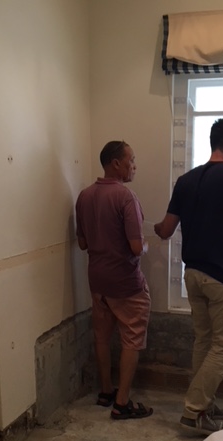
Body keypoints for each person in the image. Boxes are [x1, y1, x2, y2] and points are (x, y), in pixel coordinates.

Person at [154, 117, 223, 436]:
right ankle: (194, 410)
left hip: (193, 275)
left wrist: (153, 227)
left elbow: (165, 230)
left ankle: (205, 404)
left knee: (204, 340)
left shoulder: (186, 180)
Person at [76, 140, 153, 420]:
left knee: (102, 337)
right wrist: (146, 246)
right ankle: (122, 404)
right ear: (116, 163)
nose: (135, 166)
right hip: (125, 282)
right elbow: (136, 247)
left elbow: (83, 243)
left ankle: (106, 392)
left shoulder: (84, 196)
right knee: (132, 338)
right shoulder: (126, 197)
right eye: (131, 160)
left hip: (98, 281)